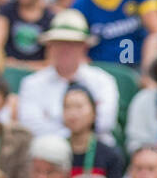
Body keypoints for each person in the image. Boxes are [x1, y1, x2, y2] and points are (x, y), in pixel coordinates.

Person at [17, 12, 120, 140]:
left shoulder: (103, 80)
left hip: (95, 150)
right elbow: (31, 125)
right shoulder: (32, 83)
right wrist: (77, 133)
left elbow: (105, 122)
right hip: (49, 151)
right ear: (49, 47)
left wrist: (56, 124)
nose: (64, 50)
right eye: (59, 43)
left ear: (84, 47)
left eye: (72, 44)